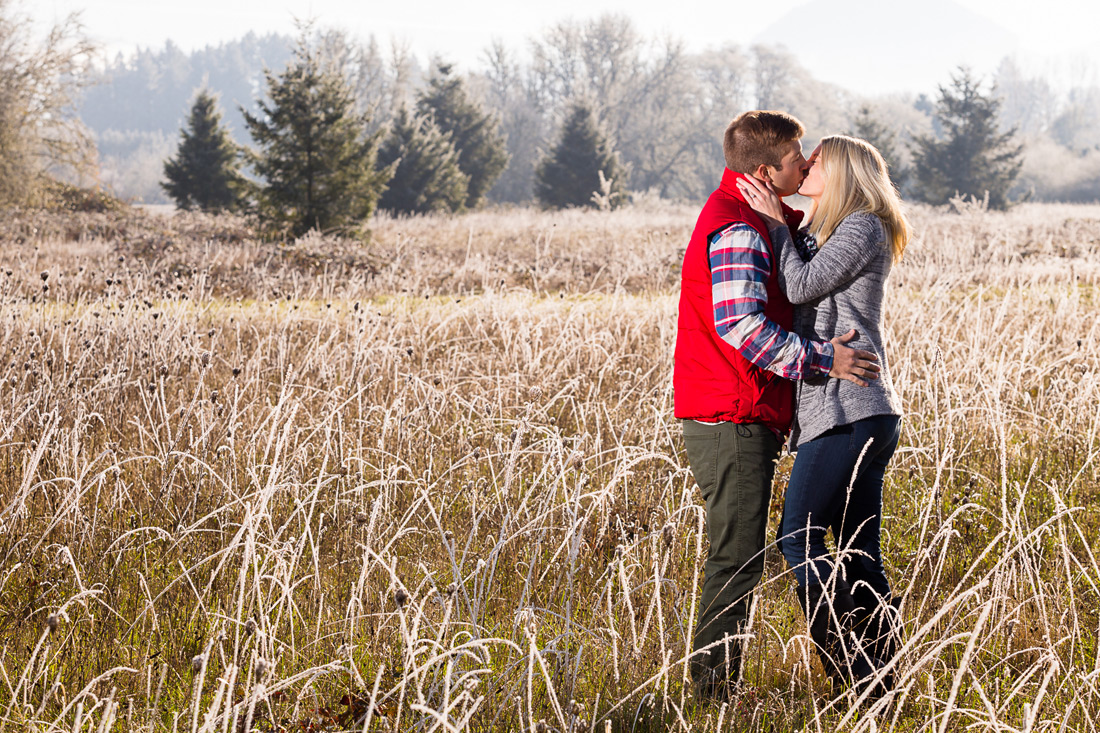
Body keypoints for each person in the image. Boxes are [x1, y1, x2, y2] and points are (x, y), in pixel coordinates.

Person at [673, 111, 882, 699]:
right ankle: (713, 693)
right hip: (729, 413)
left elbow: (813, 239)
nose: (806, 162)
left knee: (756, 548)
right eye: (796, 157)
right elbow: (740, 324)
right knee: (736, 555)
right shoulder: (737, 226)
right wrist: (823, 359)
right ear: (766, 171)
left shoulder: (762, 217)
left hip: (749, 408)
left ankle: (871, 673)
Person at [736, 135, 910, 693]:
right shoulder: (827, 230)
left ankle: (852, 670)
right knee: (858, 551)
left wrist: (778, 223)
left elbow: (800, 284)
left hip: (850, 409)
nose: (806, 167)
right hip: (845, 409)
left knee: (798, 539)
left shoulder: (861, 225)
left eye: (818, 164)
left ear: (843, 175)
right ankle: (881, 681)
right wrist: (788, 224)